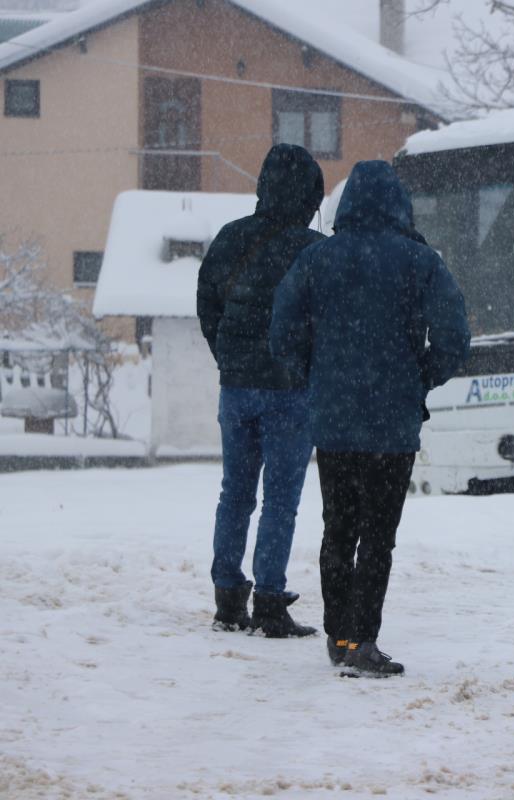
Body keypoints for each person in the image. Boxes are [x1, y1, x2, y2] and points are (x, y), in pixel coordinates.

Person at [270, 160, 470, 677]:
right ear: (399, 205)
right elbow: (454, 338)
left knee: (337, 528)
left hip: (334, 422)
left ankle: (338, 635)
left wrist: (314, 373)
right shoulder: (421, 261)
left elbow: (283, 333)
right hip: (393, 425)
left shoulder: (316, 260)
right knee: (378, 535)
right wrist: (421, 376)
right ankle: (364, 641)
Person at [197, 143, 325, 639]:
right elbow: (325, 321)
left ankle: (228, 599)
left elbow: (208, 304)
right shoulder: (311, 249)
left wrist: (229, 358)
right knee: (280, 500)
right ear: (310, 195)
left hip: (237, 389)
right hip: (291, 391)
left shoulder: (231, 238)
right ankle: (270, 603)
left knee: (235, 493)